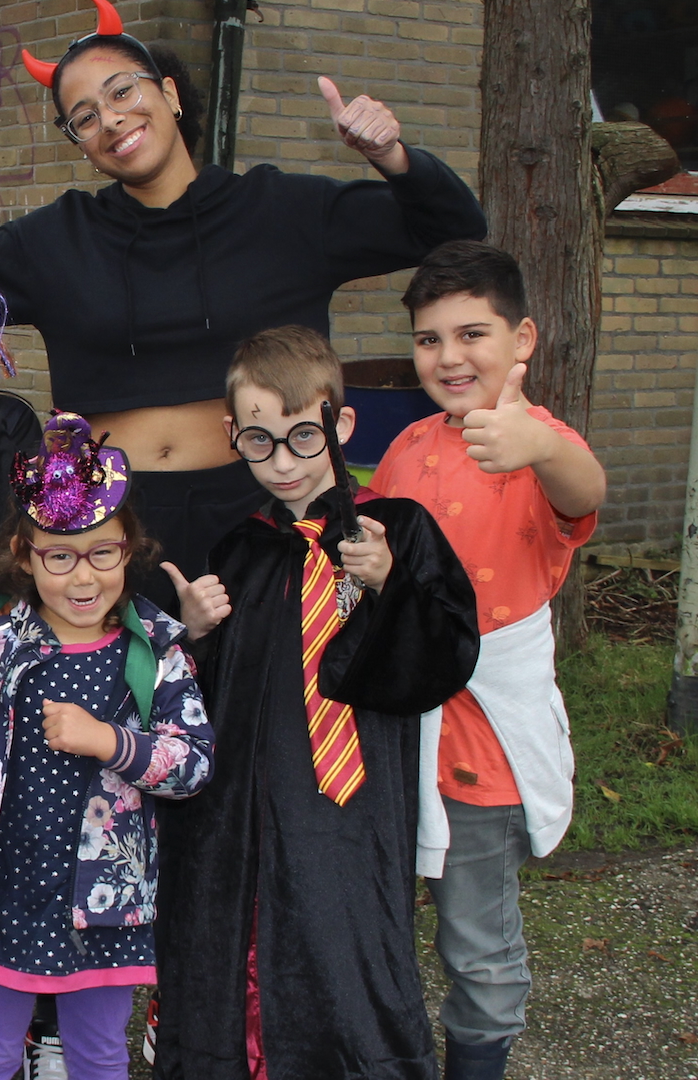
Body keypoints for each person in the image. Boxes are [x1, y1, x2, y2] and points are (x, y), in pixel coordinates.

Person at [0, 0, 489, 610]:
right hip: (108, 521)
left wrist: (391, 154)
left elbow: (450, 228)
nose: (111, 120)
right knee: (121, 723)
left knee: (255, 715)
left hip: (266, 502)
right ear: (80, 145)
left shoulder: (282, 211)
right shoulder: (57, 239)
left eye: (122, 90)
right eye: (84, 118)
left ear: (168, 91)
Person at [150, 325, 479, 1078]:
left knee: (345, 957)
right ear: (234, 436)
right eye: (261, 442)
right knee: (238, 965)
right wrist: (194, 636)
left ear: (342, 423)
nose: (286, 462)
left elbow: (444, 661)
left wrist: (391, 584)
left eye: (304, 436)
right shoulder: (242, 548)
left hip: (348, 820)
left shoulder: (398, 531)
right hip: (240, 815)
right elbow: (206, 701)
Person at [0, 412, 213, 1080]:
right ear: (26, 556)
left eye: (103, 553)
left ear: (130, 549)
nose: (82, 577)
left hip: (104, 906)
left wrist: (112, 742)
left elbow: (194, 765)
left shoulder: (154, 654)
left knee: (98, 1056)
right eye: (59, 556)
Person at [370, 241, 605, 1080]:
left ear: (524, 339)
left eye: (472, 334)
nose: (449, 357)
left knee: (476, 939)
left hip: (481, 756)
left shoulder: (539, 443)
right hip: (399, 745)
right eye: (430, 340)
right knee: (382, 924)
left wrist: (537, 447)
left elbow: (586, 492)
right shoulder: (405, 449)